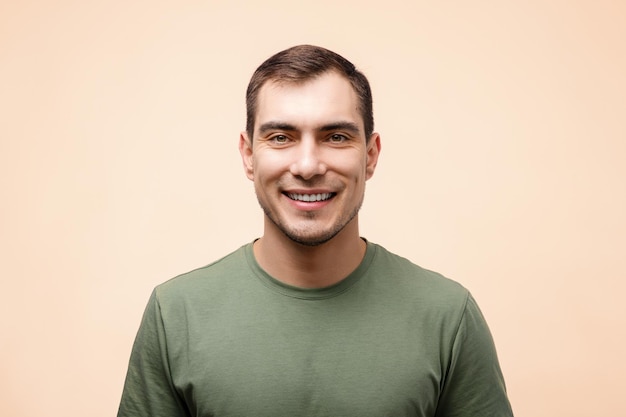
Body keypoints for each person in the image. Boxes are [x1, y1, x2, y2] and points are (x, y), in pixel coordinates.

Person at [118, 45, 513, 417]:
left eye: (336, 137)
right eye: (281, 137)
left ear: (371, 155)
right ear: (248, 155)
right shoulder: (176, 314)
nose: (307, 165)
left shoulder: (447, 316)